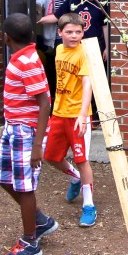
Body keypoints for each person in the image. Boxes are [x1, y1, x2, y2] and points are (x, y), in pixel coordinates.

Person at [0, 13, 59, 255]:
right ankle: (40, 221)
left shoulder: (29, 62)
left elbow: (44, 102)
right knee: (4, 180)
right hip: (13, 128)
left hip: (27, 132)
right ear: (32, 35)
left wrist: (37, 145)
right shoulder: (20, 57)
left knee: (25, 187)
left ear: (6, 38)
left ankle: (29, 241)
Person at [44, 12, 97, 228]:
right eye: (69, 32)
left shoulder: (84, 53)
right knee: (51, 157)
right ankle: (74, 177)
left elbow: (87, 84)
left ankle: (89, 206)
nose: (74, 36)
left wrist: (83, 115)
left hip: (77, 114)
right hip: (58, 112)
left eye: (78, 32)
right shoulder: (58, 50)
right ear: (60, 33)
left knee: (82, 159)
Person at [55, 0, 110, 129]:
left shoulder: (100, 3)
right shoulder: (72, 1)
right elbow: (57, 16)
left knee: (95, 81)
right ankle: (76, 113)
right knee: (77, 82)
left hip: (94, 48)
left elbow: (105, 27)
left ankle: (96, 117)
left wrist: (106, 47)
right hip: (75, 49)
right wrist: (40, 19)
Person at [35, 0, 79, 99]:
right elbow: (39, 3)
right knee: (58, 70)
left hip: (75, 36)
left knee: (74, 68)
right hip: (56, 38)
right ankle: (58, 97)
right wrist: (36, 10)